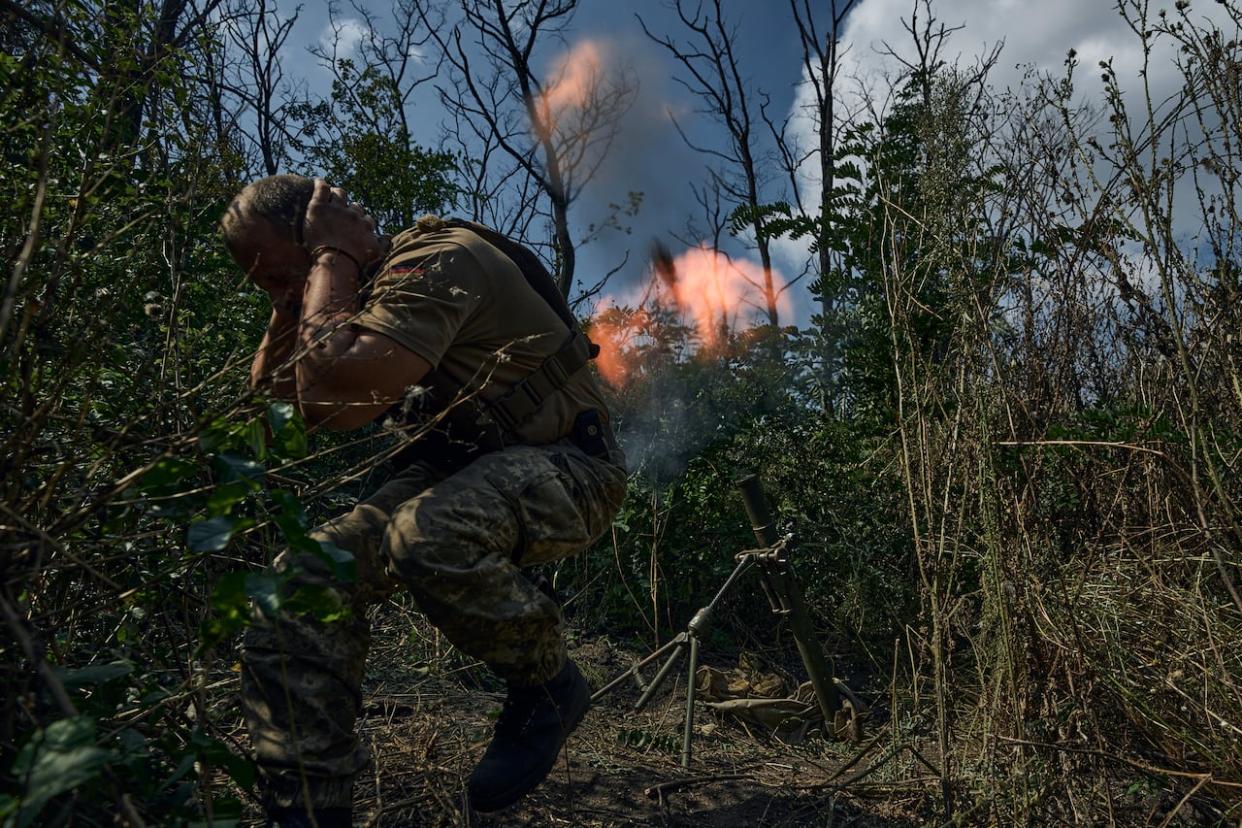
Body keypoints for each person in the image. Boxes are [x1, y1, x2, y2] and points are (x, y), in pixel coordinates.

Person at [219, 174, 627, 826]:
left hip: (572, 471)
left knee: (426, 535)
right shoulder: (353, 286)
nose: (274, 291)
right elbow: (274, 400)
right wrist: (293, 298)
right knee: (302, 581)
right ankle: (306, 808)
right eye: (259, 282)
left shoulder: (437, 262)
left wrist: (332, 260)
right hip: (456, 473)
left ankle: (548, 688)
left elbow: (332, 391)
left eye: (275, 273)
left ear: (317, 237)